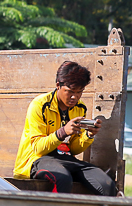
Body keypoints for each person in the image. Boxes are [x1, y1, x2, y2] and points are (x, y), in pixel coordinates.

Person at [14, 61, 117, 196]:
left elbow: (74, 148)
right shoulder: (39, 105)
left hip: (66, 159)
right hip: (37, 159)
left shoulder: (80, 108)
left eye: (80, 92)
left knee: (107, 184)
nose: (75, 97)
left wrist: (89, 135)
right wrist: (62, 132)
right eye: (70, 92)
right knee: (62, 178)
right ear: (58, 85)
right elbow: (38, 148)